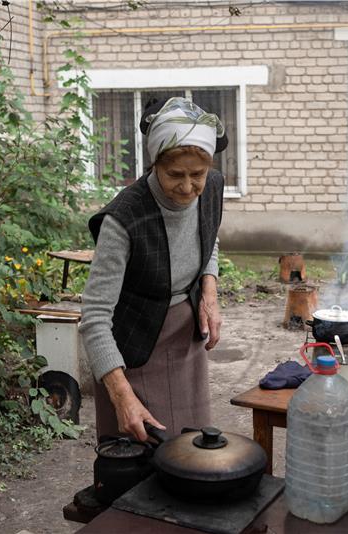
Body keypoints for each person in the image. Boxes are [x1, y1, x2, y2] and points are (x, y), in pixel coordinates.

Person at [80, 96, 227, 442]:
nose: (188, 187)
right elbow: (95, 318)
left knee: (190, 450)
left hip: (185, 341)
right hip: (132, 347)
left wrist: (210, 291)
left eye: (197, 174)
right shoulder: (124, 220)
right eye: (175, 174)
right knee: (141, 456)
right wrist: (121, 394)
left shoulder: (212, 189)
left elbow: (209, 235)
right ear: (154, 164)